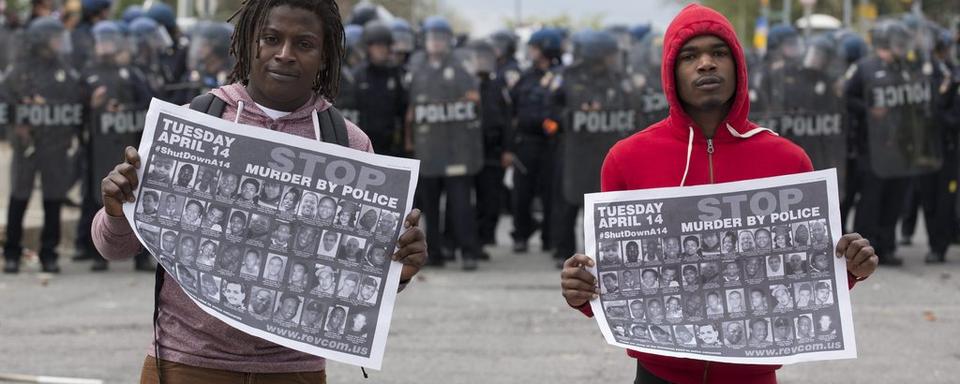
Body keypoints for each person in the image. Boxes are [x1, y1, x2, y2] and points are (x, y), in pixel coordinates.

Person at [92, 3, 428, 381]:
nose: (284, 54)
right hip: (187, 363)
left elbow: (353, 285)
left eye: (304, 43)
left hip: (293, 371)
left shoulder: (348, 143)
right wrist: (116, 212)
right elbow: (115, 249)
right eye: (271, 38)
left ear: (325, 56)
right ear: (246, 42)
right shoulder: (194, 122)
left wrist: (397, 271)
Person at [561, 7, 878, 381]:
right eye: (690, 56)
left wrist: (850, 270)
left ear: (738, 65)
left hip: (752, 375)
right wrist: (582, 293)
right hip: (659, 374)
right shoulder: (626, 159)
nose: (706, 64)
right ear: (670, 72)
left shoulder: (788, 160)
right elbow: (617, 282)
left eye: (719, 52)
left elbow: (802, 280)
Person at [3, 17, 85, 274]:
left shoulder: (64, 69)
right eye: (56, 38)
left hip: (55, 145)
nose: (60, 43)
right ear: (42, 41)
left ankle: (49, 253)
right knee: (20, 196)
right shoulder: (19, 70)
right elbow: (6, 100)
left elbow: (75, 100)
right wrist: (22, 114)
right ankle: (12, 254)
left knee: (53, 199)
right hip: (27, 145)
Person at [509, 28, 563, 255]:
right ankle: (521, 235)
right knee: (522, 193)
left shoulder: (561, 75)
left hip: (551, 143)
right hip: (527, 143)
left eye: (534, 47)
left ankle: (549, 238)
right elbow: (512, 107)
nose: (530, 52)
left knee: (551, 193)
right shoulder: (526, 76)